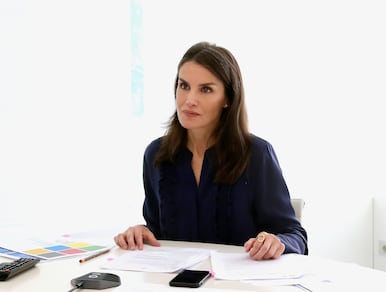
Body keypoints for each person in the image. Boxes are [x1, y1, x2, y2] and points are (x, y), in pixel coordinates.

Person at [114, 41, 308, 260]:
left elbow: (295, 236)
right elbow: (158, 231)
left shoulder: (257, 154)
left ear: (227, 98)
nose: (189, 100)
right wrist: (142, 232)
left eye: (205, 89)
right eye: (184, 86)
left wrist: (277, 242)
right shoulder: (156, 154)